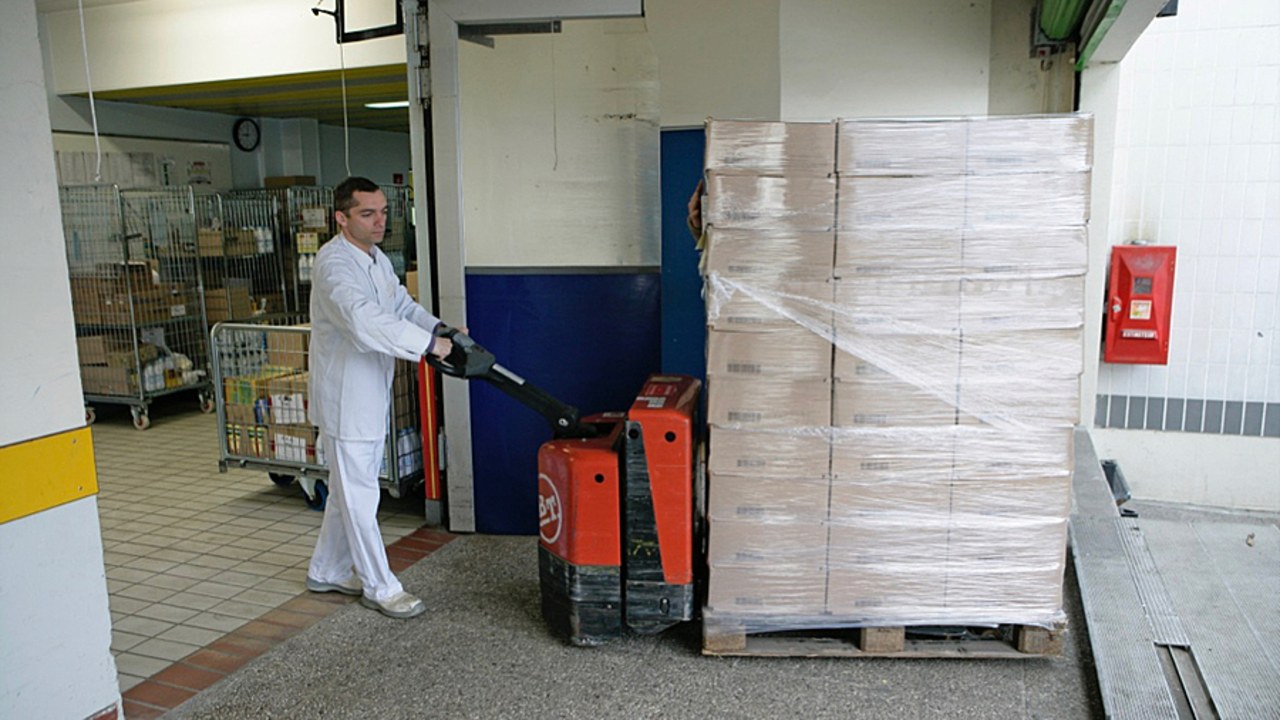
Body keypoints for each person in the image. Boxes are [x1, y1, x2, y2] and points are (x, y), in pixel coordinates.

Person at [305, 176, 454, 619]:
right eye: (367, 214)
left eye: (383, 212)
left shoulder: (376, 260)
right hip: (347, 399)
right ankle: (380, 586)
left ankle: (326, 569)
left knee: (348, 491)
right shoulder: (335, 266)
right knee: (360, 497)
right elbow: (363, 319)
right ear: (341, 218)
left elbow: (401, 306)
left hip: (371, 393)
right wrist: (426, 346)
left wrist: (438, 330)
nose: (379, 222)